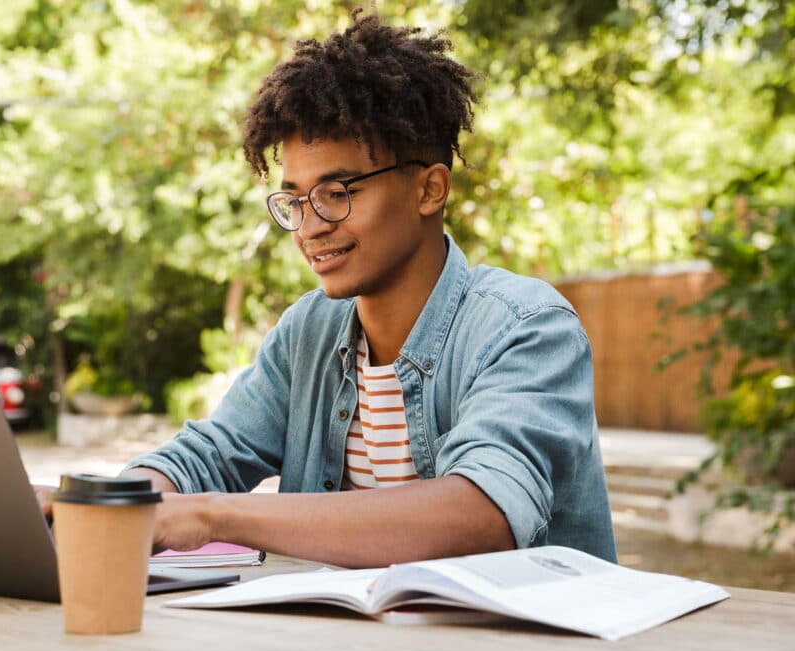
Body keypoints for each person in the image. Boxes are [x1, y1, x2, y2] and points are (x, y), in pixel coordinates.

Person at [57, 10, 617, 568]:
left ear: (430, 189)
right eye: (295, 201)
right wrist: (102, 505)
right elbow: (207, 455)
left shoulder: (528, 327)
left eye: (338, 192)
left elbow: (482, 514)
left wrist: (214, 515)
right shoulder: (309, 334)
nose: (311, 225)